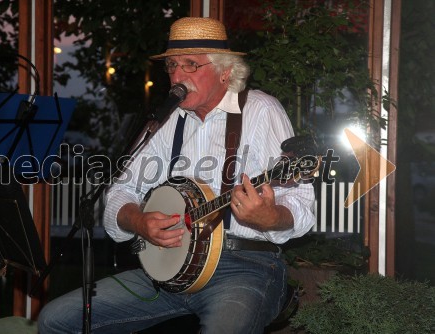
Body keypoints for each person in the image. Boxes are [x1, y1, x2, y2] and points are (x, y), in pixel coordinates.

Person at [38, 17, 316, 334]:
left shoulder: (261, 110)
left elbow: (300, 204)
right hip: (167, 268)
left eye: (190, 65)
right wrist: (138, 221)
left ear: (226, 71)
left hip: (243, 268)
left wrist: (269, 217)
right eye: (171, 66)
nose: (177, 76)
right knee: (56, 320)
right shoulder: (167, 120)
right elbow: (119, 191)